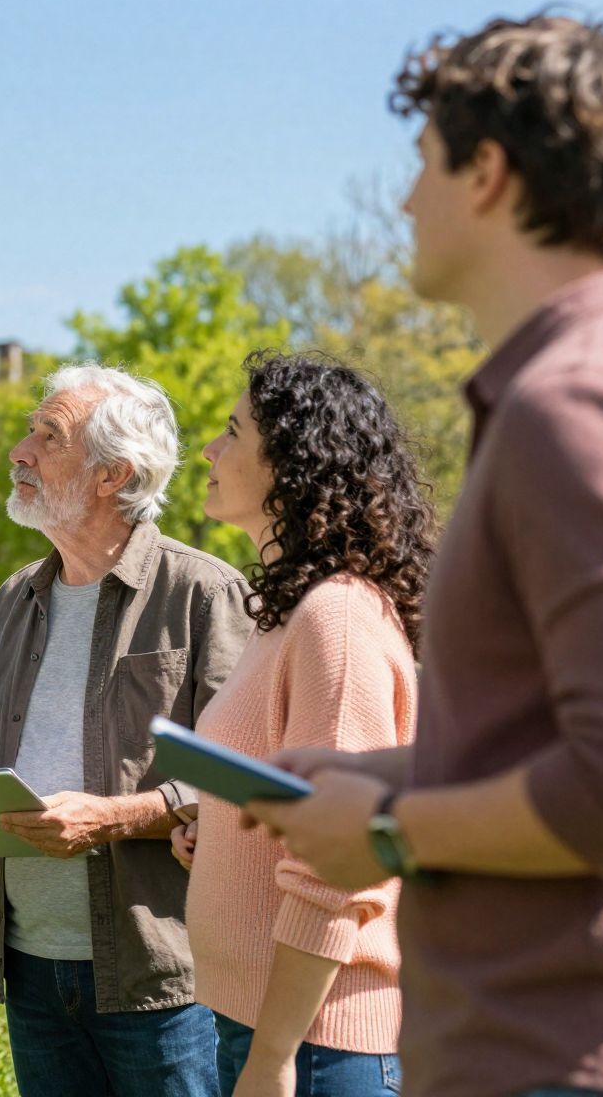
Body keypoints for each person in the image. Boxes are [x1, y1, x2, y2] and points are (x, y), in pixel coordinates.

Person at [248, 15, 603, 1097]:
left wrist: (387, 825)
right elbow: (573, 746)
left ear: (485, 172)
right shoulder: (602, 382)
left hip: (579, 1062)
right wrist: (368, 777)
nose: (403, 201)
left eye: (423, 163)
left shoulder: (579, 404)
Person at [0, 363, 252, 1097]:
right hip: (29, 966)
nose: (19, 451)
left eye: (46, 436)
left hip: (159, 973)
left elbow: (242, 780)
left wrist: (114, 818)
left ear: (112, 474)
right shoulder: (13, 599)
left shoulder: (203, 593)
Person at [176, 352, 434, 1097]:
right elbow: (301, 810)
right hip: (264, 1025)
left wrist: (273, 1059)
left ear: (292, 466)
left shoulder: (338, 619)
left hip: (318, 1045)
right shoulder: (288, 613)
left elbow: (337, 869)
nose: (210, 450)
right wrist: (222, 825)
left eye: (232, 432)